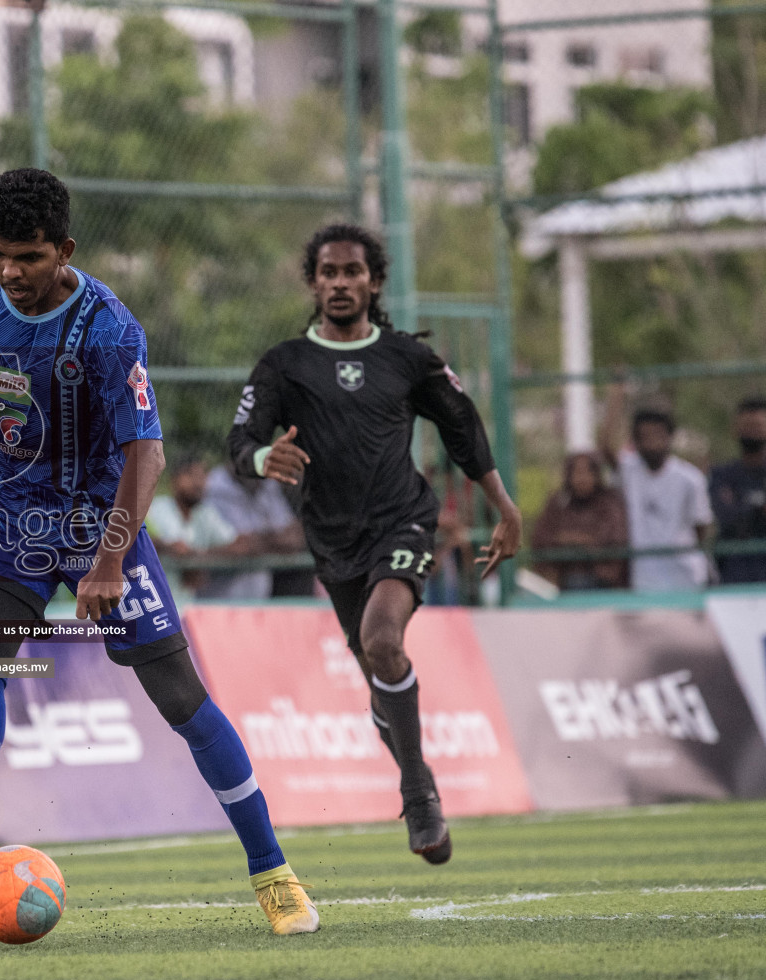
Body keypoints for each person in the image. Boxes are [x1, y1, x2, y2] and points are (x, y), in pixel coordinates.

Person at [0, 168, 320, 936]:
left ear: (64, 249)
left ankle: (274, 873)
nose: (9, 272)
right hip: (10, 517)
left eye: (27, 257)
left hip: (103, 521)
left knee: (183, 703)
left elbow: (148, 457)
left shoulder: (108, 329)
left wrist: (107, 561)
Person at [226, 223, 521, 866]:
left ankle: (418, 795)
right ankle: (408, 753)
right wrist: (260, 460)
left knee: (384, 640)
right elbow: (240, 440)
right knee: (378, 678)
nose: (340, 282)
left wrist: (503, 506)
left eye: (352, 271)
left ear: (374, 281)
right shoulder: (285, 363)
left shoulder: (406, 358)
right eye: (328, 272)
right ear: (313, 282)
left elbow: (462, 427)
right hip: (334, 544)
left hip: (405, 522)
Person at [598, 386, 713, 592]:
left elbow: (701, 528)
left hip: (686, 577)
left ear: (670, 437)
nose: (651, 443)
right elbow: (605, 447)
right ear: (636, 440)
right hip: (644, 580)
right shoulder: (630, 470)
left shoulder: (690, 479)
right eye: (644, 436)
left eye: (657, 435)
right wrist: (616, 395)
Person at [200, 463, 308, 599]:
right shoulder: (211, 485)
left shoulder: (266, 483)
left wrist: (258, 542)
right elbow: (240, 547)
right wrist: (273, 540)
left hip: (258, 604)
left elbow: (295, 538)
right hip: (218, 603)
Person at [146, 455, 244, 597]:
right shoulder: (156, 509)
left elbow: (236, 544)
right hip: (154, 599)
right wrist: (166, 548)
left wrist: (196, 559)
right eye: (190, 475)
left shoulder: (206, 513)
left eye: (202, 476)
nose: (197, 483)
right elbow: (140, 540)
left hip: (187, 603)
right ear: (174, 479)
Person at [530, 452, 628, 591]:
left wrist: (580, 542)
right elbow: (541, 539)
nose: (582, 479)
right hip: (561, 581)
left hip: (603, 583)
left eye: (587, 472)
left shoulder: (608, 504)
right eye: (577, 472)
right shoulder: (558, 503)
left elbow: (613, 542)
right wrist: (569, 541)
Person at [709, 396, 766, 584]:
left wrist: (743, 504)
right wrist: (758, 509)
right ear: (736, 429)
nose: (752, 433)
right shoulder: (721, 475)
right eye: (747, 427)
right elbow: (728, 517)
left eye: (757, 427)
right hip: (733, 575)